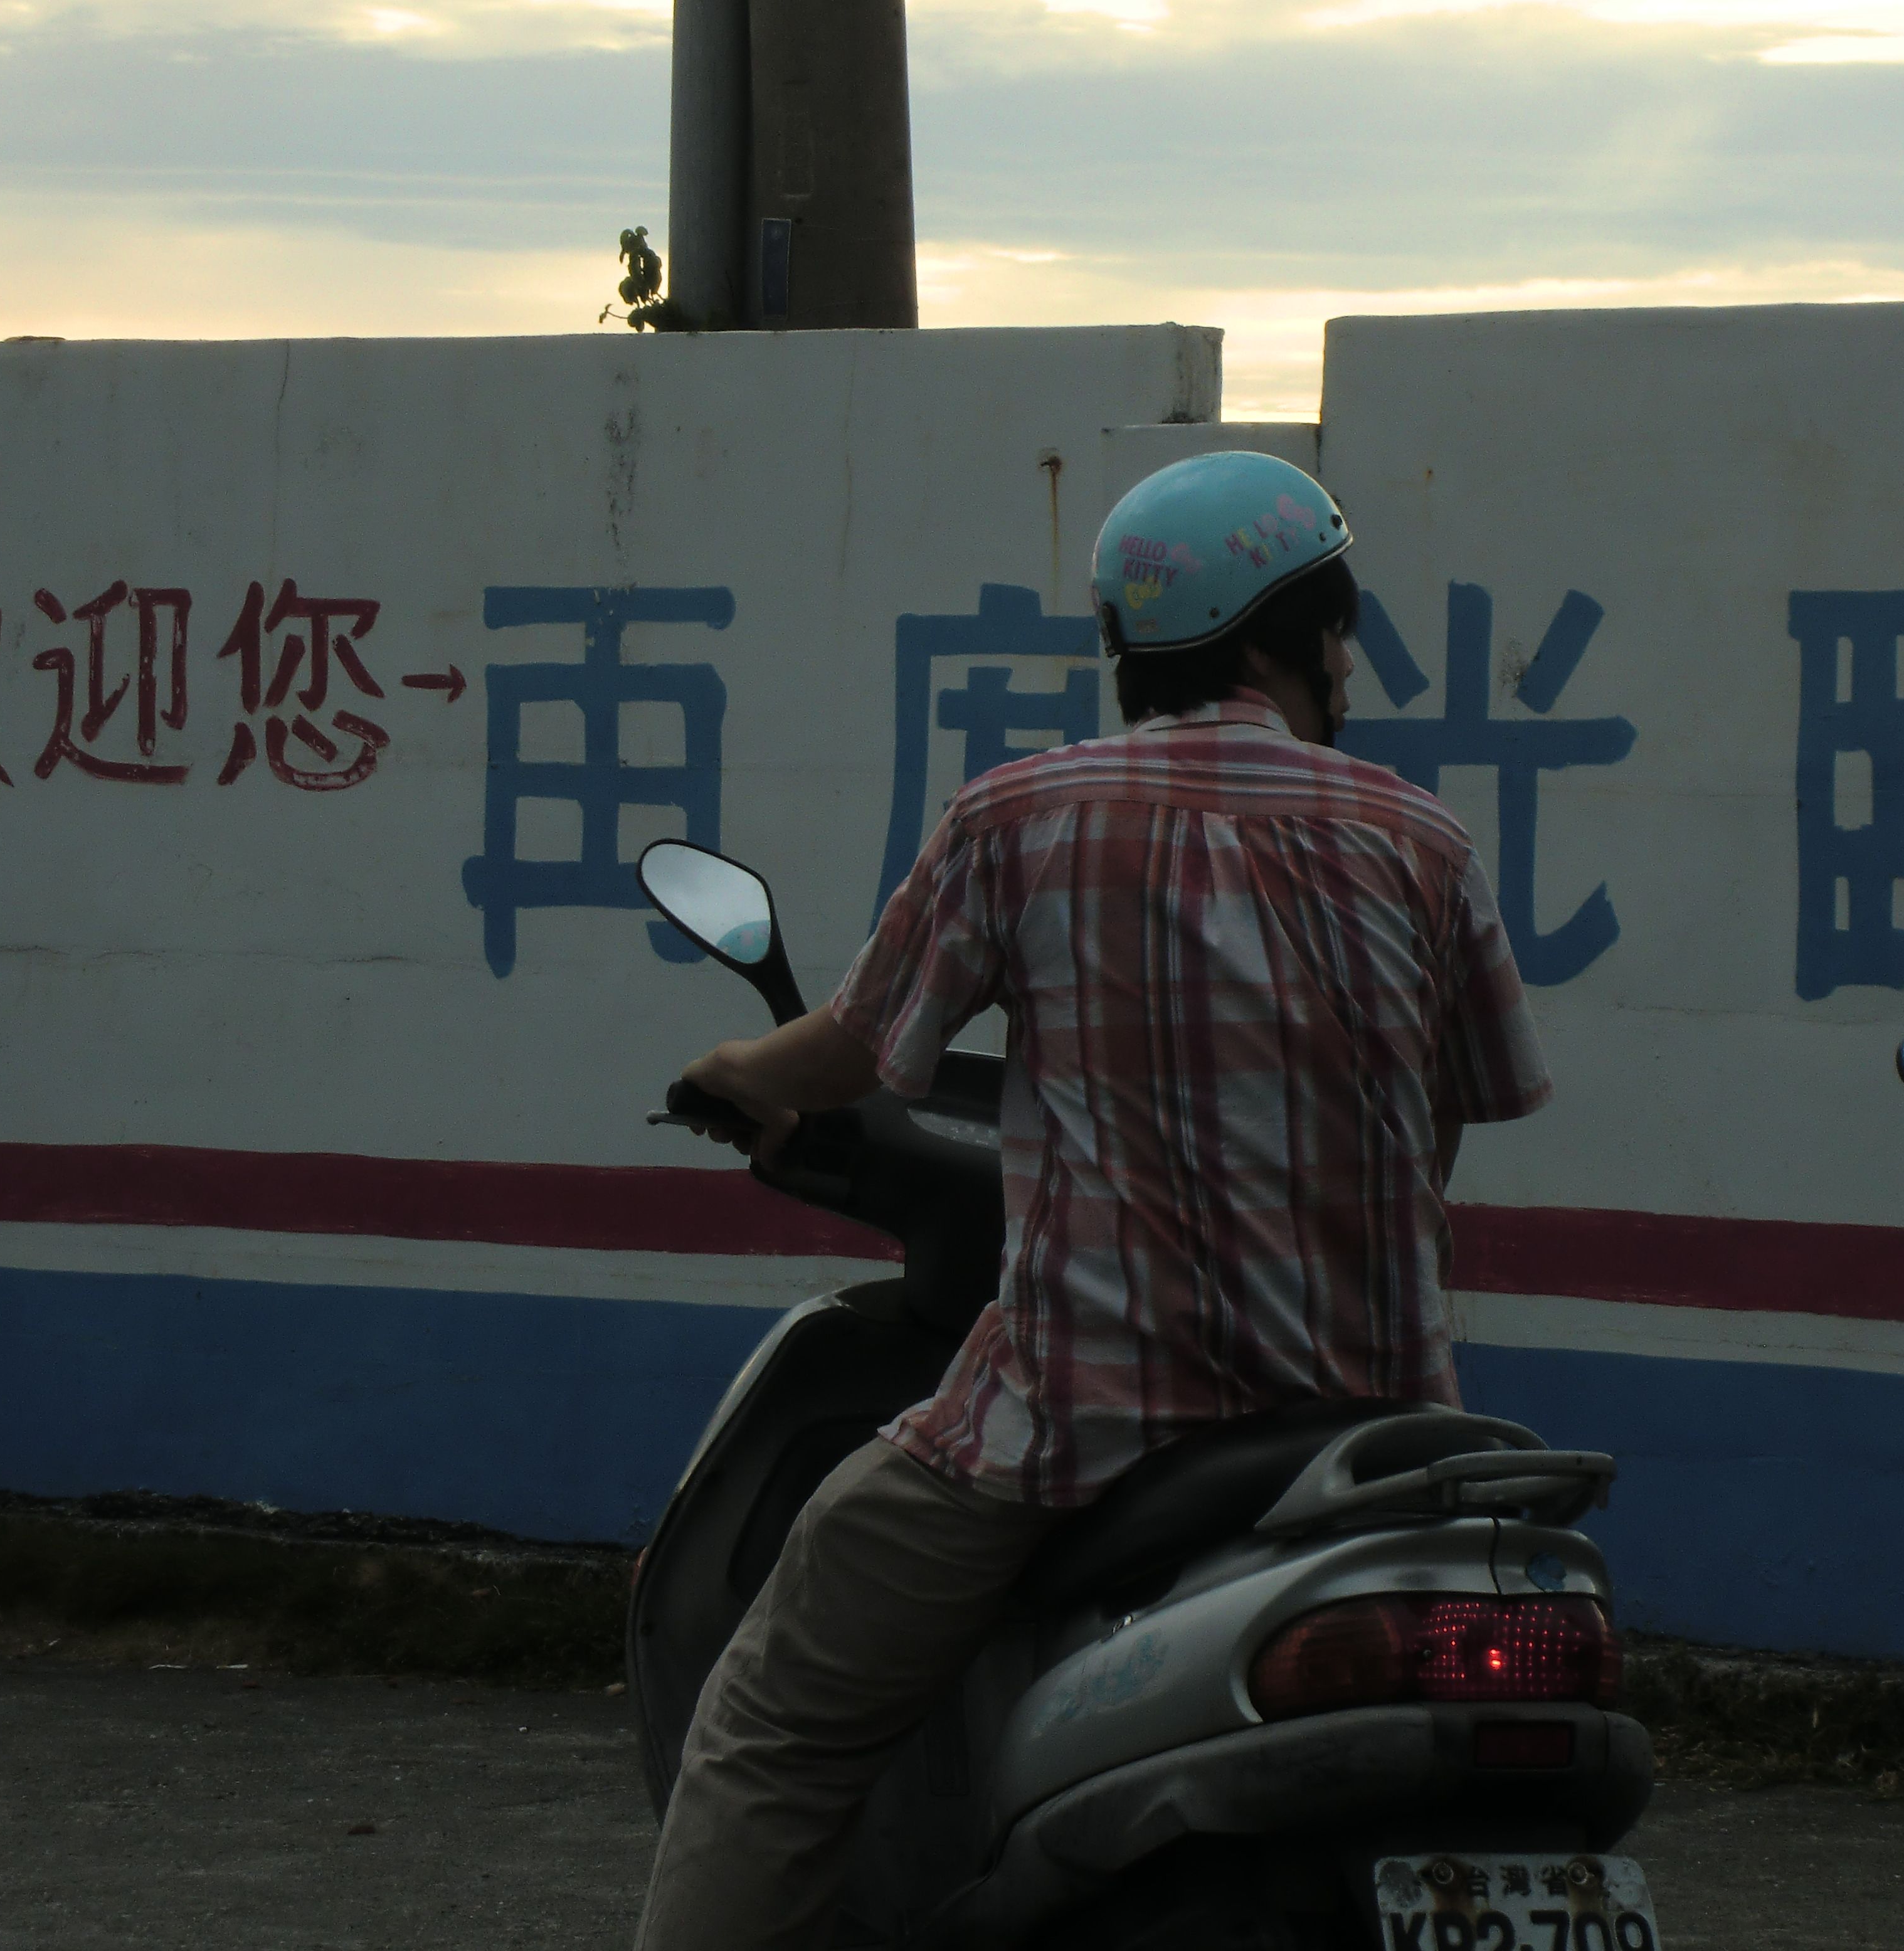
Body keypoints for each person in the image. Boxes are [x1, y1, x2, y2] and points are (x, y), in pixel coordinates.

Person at [633, 450, 1551, 1951]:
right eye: (1339, 629)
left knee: (776, 1718)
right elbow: (1445, 1125)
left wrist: (739, 1066)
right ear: (1289, 639)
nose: (1348, 662)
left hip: (1079, 1415)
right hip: (1374, 1421)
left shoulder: (1021, 819)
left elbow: (859, 1046)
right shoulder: (1423, 844)